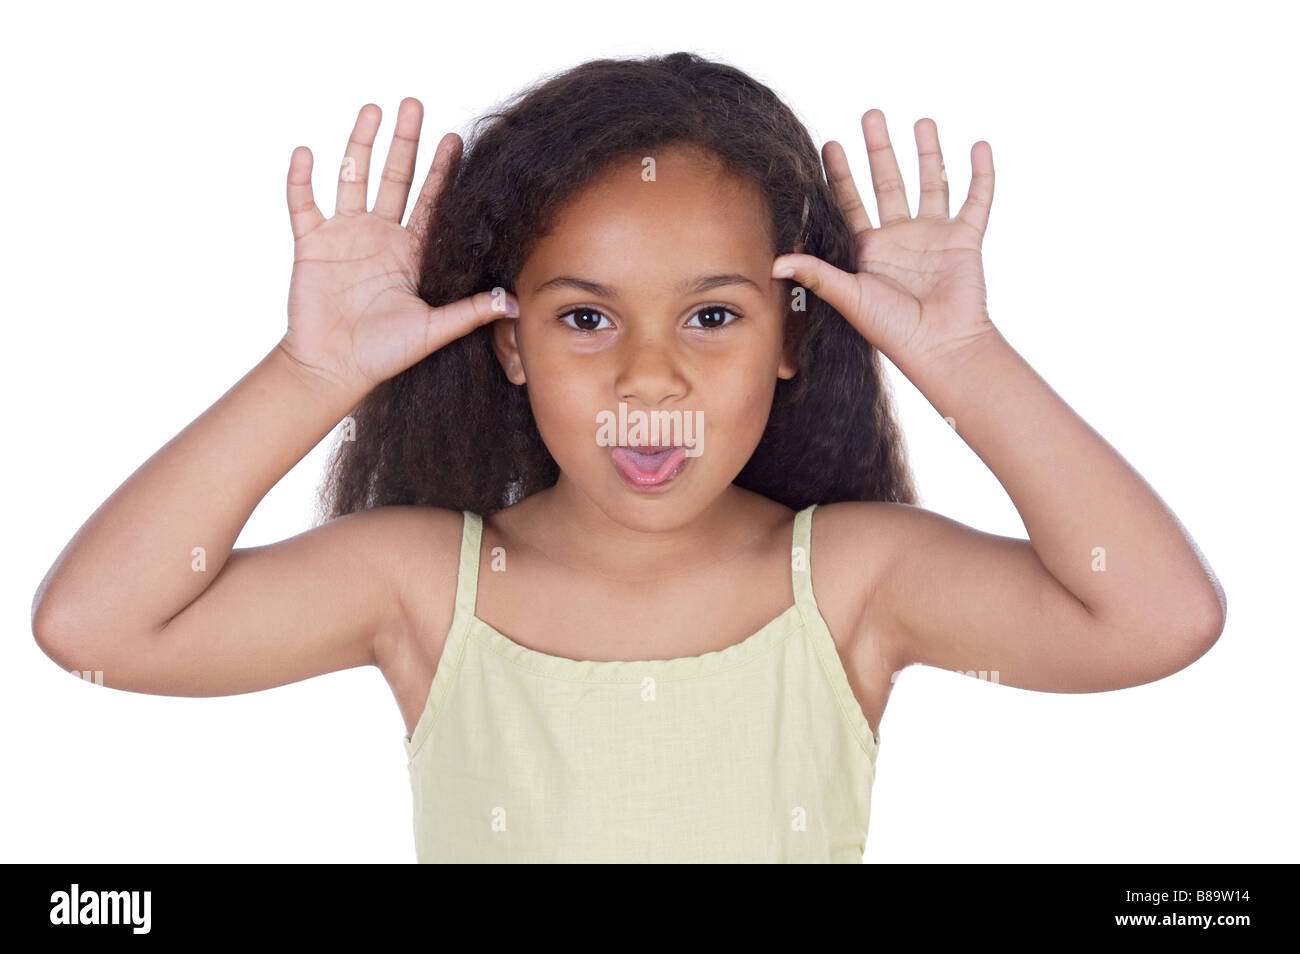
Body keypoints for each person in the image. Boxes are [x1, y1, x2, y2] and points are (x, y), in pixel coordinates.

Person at [32, 52, 1225, 863]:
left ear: (791, 339)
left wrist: (962, 357)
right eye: (585, 318)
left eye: (712, 317)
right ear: (507, 345)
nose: (648, 382)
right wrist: (310, 373)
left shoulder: (849, 583)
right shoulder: (425, 585)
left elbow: (1155, 617)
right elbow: (97, 629)